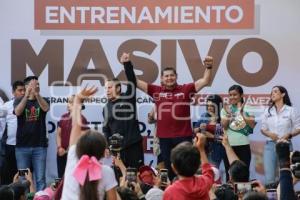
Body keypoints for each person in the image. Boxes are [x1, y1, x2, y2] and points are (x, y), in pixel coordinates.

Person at [120, 52, 213, 180]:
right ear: (162, 79)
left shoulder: (185, 89)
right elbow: (134, 81)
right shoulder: (156, 91)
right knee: (168, 169)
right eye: (166, 76)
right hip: (164, 138)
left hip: (183, 136)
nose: (169, 78)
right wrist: (127, 64)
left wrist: (208, 67)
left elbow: (205, 81)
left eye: (172, 75)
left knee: (185, 167)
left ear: (176, 77)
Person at [61, 86, 118, 200]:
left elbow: (76, 125)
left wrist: (78, 99)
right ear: (102, 153)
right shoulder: (107, 172)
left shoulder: (72, 157)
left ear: (79, 147)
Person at [102, 54, 144, 168]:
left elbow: (132, 81)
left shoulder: (128, 97)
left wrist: (127, 64)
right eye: (105, 88)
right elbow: (106, 129)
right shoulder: (106, 107)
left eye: (110, 87)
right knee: (120, 177)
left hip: (133, 146)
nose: (107, 91)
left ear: (118, 88)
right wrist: (107, 146)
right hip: (117, 149)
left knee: (136, 176)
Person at [14, 76, 50, 191]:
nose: (37, 87)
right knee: (23, 181)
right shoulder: (19, 100)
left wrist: (36, 94)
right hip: (22, 148)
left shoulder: (43, 99)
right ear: (26, 86)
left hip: (39, 147)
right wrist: (26, 95)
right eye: (34, 85)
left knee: (40, 179)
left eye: (38, 85)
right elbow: (18, 112)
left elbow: (45, 108)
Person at [261, 86, 300, 184]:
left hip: (285, 145)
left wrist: (289, 134)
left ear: (283, 94)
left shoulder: (291, 110)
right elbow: (263, 129)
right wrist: (269, 134)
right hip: (270, 145)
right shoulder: (268, 110)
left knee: (285, 176)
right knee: (269, 178)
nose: (272, 94)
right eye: (272, 92)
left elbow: (298, 128)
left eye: (275, 91)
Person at [163, 133, 214, 200]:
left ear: (173, 168)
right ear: (198, 165)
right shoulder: (204, 182)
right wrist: (201, 149)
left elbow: (208, 171)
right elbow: (208, 170)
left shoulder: (170, 192)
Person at [221, 85, 255, 172]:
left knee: (244, 174)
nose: (232, 97)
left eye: (235, 95)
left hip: (243, 146)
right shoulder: (225, 109)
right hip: (229, 146)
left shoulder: (248, 107)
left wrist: (241, 112)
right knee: (230, 174)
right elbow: (224, 126)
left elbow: (252, 125)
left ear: (241, 95)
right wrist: (229, 114)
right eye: (230, 95)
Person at [193, 94, 228, 178]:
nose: (209, 108)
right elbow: (194, 131)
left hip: (217, 150)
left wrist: (211, 136)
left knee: (214, 173)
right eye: (207, 105)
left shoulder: (222, 117)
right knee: (204, 172)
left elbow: (222, 138)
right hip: (204, 149)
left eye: (212, 106)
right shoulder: (204, 116)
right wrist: (199, 129)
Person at [56, 95, 89, 178]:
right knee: (61, 178)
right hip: (61, 154)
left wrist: (67, 151)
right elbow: (58, 134)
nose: (68, 104)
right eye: (68, 102)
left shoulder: (82, 119)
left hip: (75, 155)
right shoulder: (63, 117)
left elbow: (82, 139)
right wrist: (59, 147)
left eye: (70, 103)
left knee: (73, 179)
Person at [0, 81, 25, 184]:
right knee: (8, 174)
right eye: (20, 90)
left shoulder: (30, 104)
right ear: (13, 92)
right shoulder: (7, 105)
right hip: (10, 145)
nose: (23, 93)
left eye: (24, 90)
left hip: (25, 146)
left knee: (23, 176)